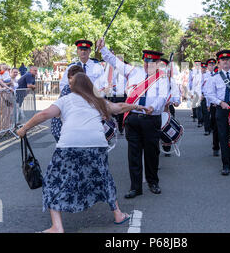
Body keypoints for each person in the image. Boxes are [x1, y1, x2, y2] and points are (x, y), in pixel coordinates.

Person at [16, 73, 144, 233]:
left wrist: (24, 128)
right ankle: (118, 214)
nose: (69, 86)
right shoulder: (97, 101)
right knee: (103, 177)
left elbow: (43, 115)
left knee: (52, 180)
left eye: (71, 84)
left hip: (69, 145)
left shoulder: (65, 100)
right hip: (96, 144)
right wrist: (137, 107)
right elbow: (119, 108)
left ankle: (57, 227)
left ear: (74, 87)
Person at [97, 37, 170, 198]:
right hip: (133, 118)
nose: (147, 65)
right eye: (145, 62)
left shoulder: (162, 78)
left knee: (152, 153)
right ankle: (135, 187)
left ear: (157, 64)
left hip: (151, 118)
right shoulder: (133, 71)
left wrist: (153, 107)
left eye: (151, 63)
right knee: (134, 154)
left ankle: (153, 182)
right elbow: (114, 62)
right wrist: (103, 49)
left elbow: (163, 97)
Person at [206, 58, 220, 156]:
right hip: (215, 105)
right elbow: (208, 92)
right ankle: (216, 147)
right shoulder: (212, 77)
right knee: (216, 127)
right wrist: (208, 104)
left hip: (227, 105)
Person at [200, 62, 211, 135]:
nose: (203, 69)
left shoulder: (212, 75)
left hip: (211, 96)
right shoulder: (200, 76)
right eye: (202, 68)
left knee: (212, 113)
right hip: (204, 96)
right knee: (206, 114)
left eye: (204, 68)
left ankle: (212, 127)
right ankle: (207, 129)